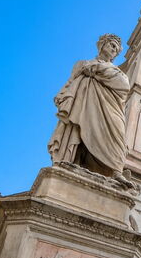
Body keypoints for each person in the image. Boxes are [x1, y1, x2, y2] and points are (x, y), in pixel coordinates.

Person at [47, 33, 131, 183]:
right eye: (111, 45)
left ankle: (116, 170)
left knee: (118, 137)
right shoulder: (83, 64)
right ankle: (72, 161)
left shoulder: (117, 72)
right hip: (83, 104)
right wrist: (63, 96)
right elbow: (70, 83)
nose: (113, 50)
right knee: (78, 128)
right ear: (102, 45)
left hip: (110, 109)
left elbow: (124, 86)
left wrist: (97, 70)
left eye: (116, 49)